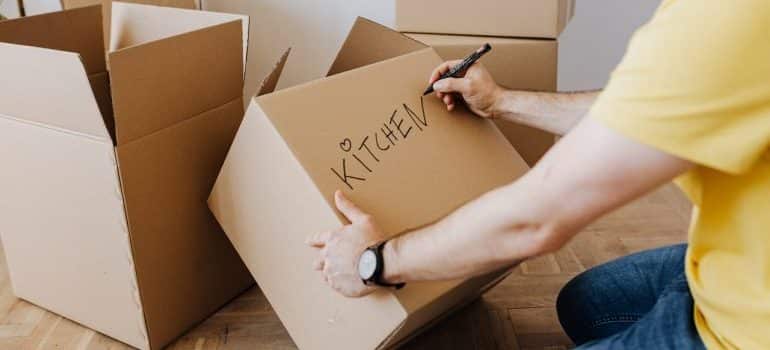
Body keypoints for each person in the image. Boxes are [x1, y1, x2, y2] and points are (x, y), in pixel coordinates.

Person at [307, 1, 770, 348]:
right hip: (745, 255)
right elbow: (646, 114)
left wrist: (374, 262)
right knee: (585, 305)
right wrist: (500, 101)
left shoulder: (734, 16)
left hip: (751, 327)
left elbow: (536, 219)